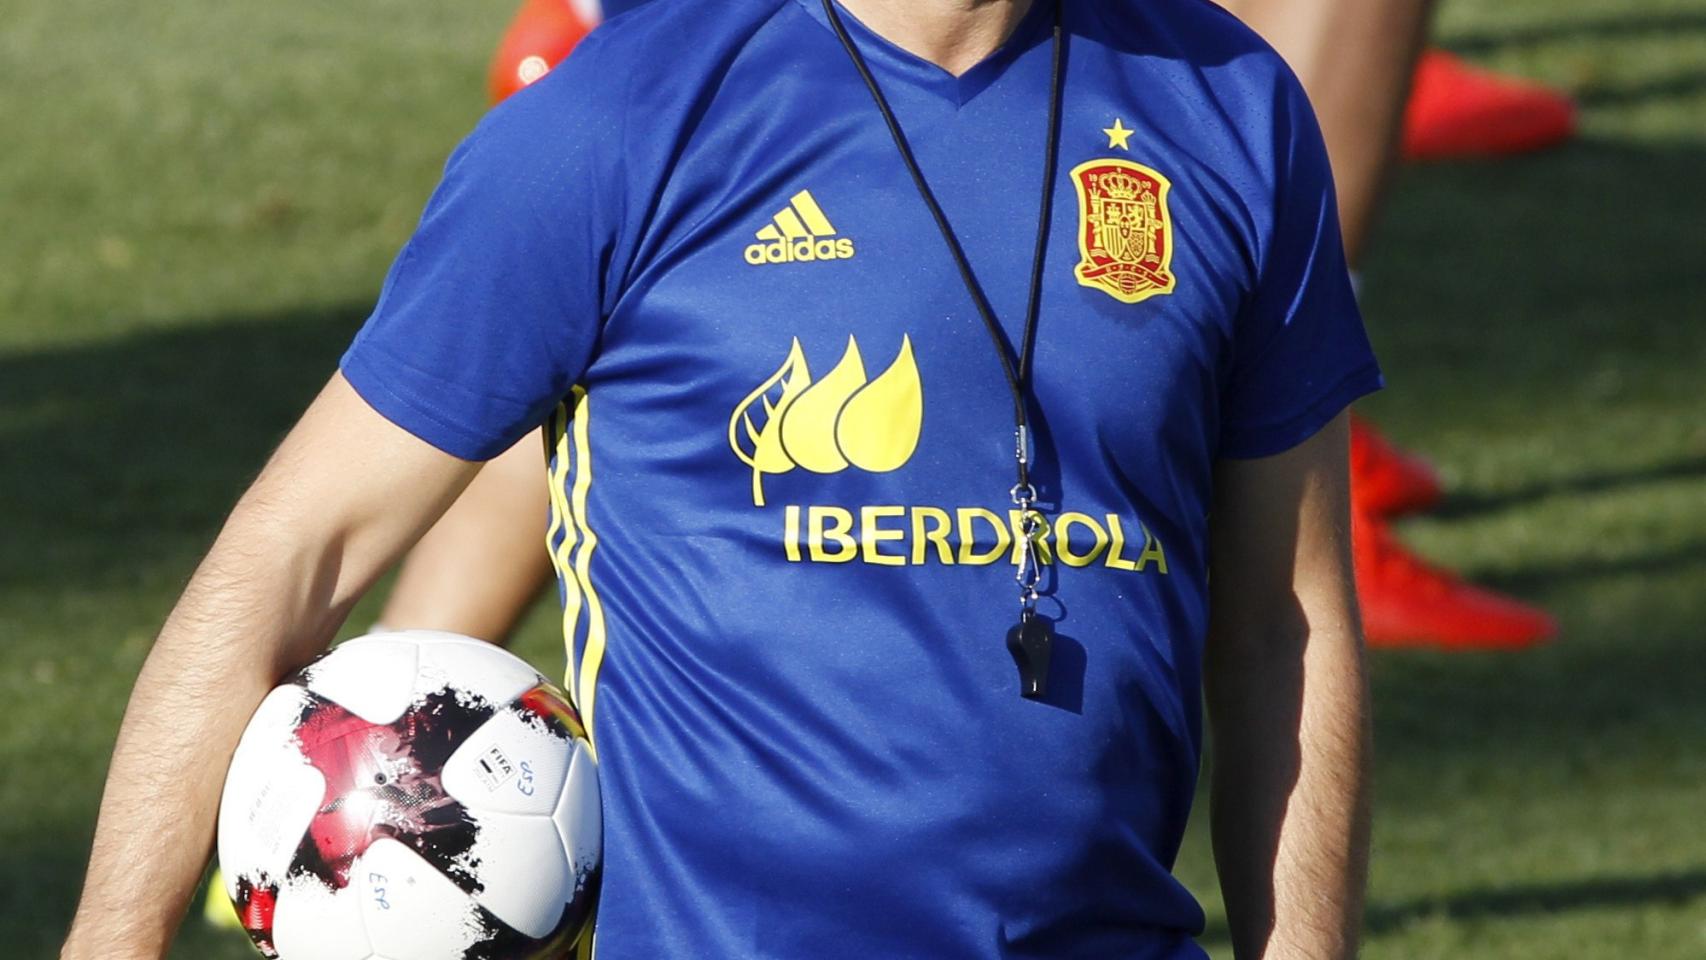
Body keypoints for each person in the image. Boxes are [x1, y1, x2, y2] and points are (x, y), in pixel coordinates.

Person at [64, 2, 1377, 957]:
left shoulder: (1226, 109)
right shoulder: (621, 122)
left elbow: (1286, 624)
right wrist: (113, 939)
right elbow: (289, 553)